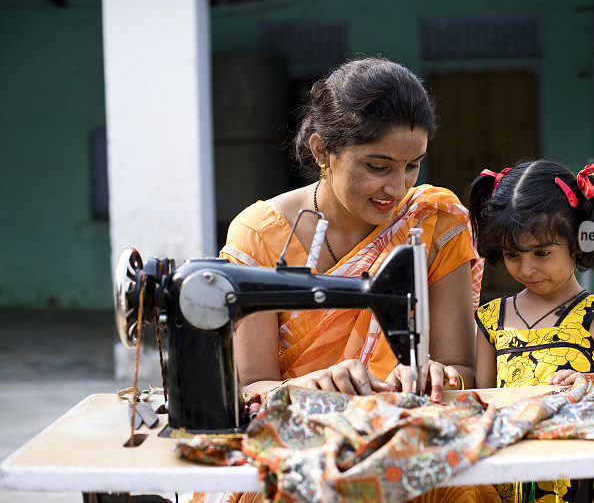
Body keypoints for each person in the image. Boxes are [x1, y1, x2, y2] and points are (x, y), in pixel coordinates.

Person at [192, 58, 499, 503]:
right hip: (302, 438)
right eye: (378, 166)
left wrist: (437, 373)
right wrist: (311, 385)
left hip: (398, 434)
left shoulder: (435, 220)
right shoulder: (259, 234)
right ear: (321, 152)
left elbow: (463, 369)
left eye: (412, 166)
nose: (397, 188)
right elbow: (252, 385)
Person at [469, 160, 594, 503]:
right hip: (511, 480)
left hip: (586, 483)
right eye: (512, 254)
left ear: (577, 243)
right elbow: (483, 406)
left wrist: (591, 384)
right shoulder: (491, 320)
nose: (526, 268)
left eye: (541, 253)